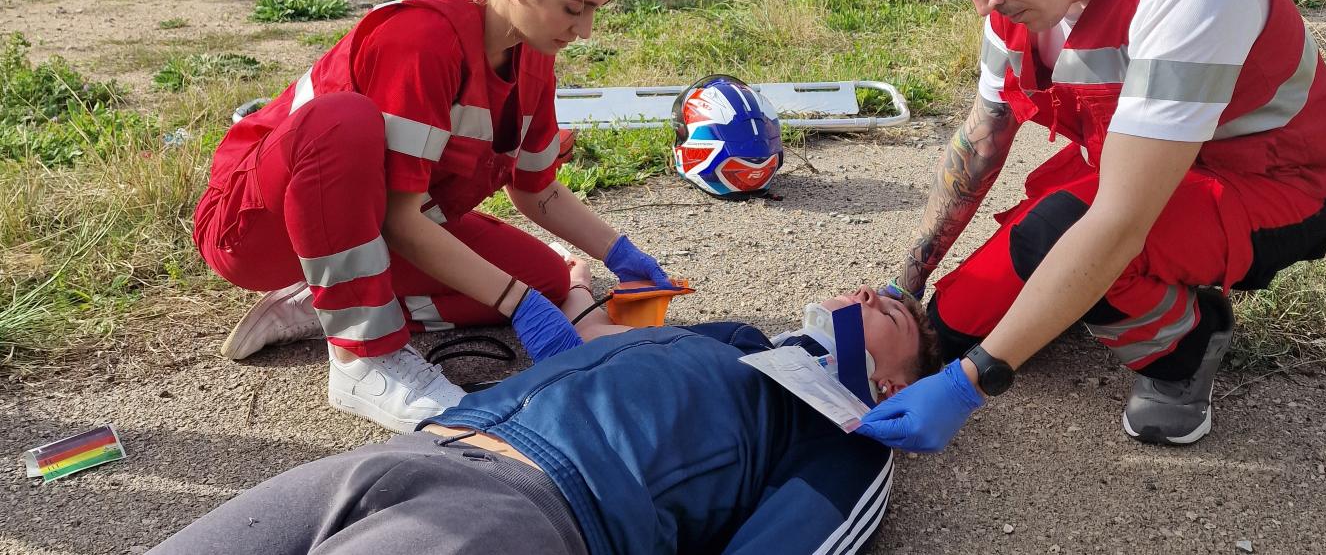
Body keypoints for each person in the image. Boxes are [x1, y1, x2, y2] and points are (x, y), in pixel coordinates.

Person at [858, 0, 1326, 452]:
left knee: (1066, 240)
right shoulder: (1019, 0)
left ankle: (1186, 350)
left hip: (1272, 189)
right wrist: (911, 285)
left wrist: (969, 384)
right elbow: (981, 141)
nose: (982, 4)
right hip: (1153, 164)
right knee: (962, 313)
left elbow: (1118, 219)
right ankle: (1045, 311)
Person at [191, 0, 674, 433]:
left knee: (547, 277)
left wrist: (620, 255)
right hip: (252, 225)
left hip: (367, 224)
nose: (586, 30)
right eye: (575, 8)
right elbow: (402, 220)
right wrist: (517, 305)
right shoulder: (423, 41)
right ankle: (361, 358)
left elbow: (537, 192)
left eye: (597, 9)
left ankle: (321, 301)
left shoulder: (533, 56)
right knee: (342, 120)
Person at [148, 259, 940, 555]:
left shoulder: (848, 437)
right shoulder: (733, 340)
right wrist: (570, 294)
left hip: (530, 508)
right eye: (875, 286)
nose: (872, 291)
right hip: (419, 451)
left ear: (898, 386)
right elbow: (600, 354)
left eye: (894, 313)